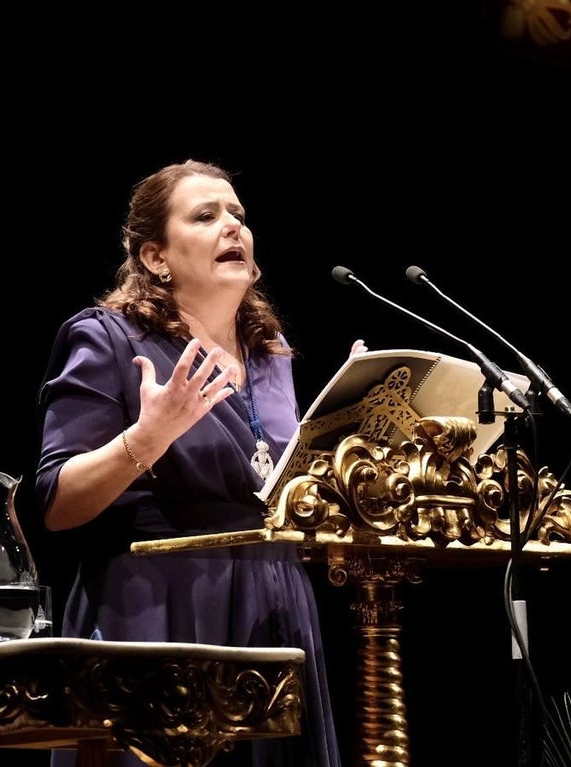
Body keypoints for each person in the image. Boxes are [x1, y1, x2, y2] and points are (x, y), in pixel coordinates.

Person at [35, 159, 363, 767]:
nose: (232, 227)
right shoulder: (108, 339)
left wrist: (355, 427)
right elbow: (56, 503)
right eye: (206, 216)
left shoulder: (271, 356)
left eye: (238, 215)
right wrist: (147, 438)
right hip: (160, 605)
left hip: (275, 603)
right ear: (156, 257)